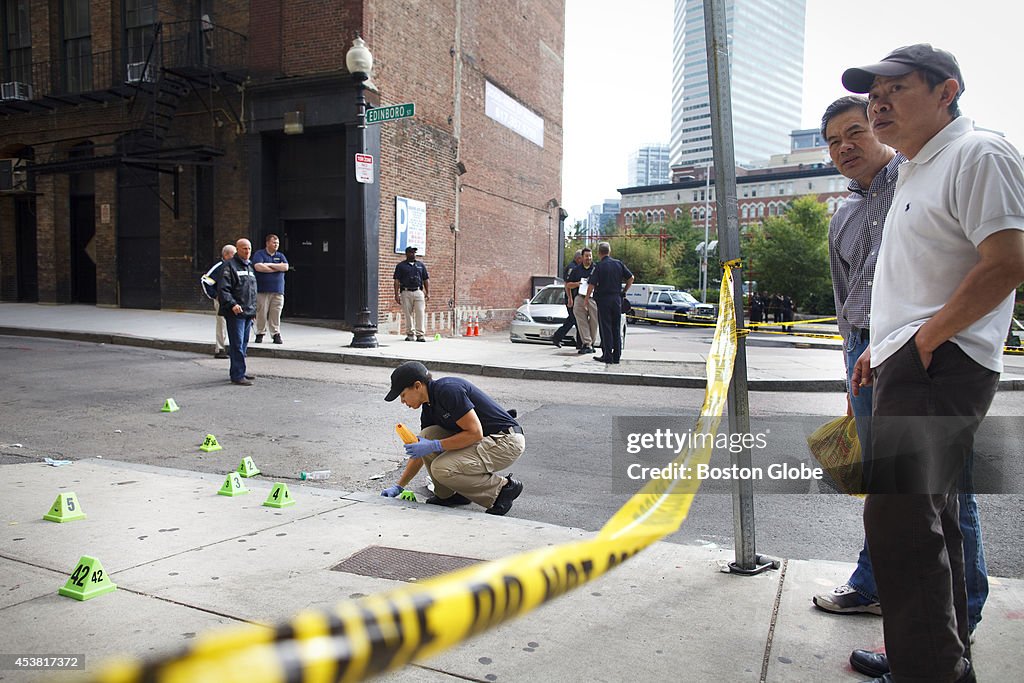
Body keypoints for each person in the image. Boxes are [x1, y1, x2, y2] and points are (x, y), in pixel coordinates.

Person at [843, 44, 1024, 682]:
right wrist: (882, 347)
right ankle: (945, 664)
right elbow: (918, 280)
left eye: (895, 88)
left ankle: (927, 673)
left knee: (899, 523)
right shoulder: (918, 170)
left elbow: (1007, 261)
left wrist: (926, 339)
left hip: (940, 364)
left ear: (946, 91)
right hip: (910, 361)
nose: (878, 103)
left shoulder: (980, 153)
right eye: (873, 96)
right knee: (931, 522)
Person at [814, 94, 989, 637]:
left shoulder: (915, 181)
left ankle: (965, 607)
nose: (845, 147)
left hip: (921, 351)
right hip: (865, 353)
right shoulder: (841, 214)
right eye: (833, 141)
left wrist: (928, 340)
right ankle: (874, 585)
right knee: (888, 486)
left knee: (941, 487)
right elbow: (846, 302)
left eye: (855, 133)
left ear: (882, 130)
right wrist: (850, 374)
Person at [382, 361, 525, 515]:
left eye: (403, 395)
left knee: (441, 467)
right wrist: (399, 486)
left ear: (417, 386)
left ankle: (502, 489)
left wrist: (435, 445)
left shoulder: (448, 390)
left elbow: (475, 432)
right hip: (486, 440)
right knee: (426, 436)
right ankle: (449, 495)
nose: (403, 401)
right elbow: (421, 453)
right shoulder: (429, 407)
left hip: (506, 441)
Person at [584, 241, 633, 364]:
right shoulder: (618, 264)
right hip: (617, 299)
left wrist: (586, 299)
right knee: (616, 327)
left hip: (603, 300)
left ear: (599, 253)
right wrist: (624, 290)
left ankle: (607, 355)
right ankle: (617, 356)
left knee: (605, 327)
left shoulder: (599, 266)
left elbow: (592, 284)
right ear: (609, 251)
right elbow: (631, 277)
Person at [219, 238, 258, 386]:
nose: (247, 251)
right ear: (237, 249)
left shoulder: (250, 267)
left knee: (243, 344)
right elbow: (224, 289)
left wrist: (253, 310)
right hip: (236, 312)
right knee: (237, 344)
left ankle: (240, 370)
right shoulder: (229, 266)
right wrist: (232, 304)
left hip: (248, 312)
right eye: (244, 249)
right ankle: (237, 375)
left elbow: (252, 291)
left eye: (249, 249)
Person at [252, 234, 289, 344]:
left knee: (276, 312)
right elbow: (258, 267)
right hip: (262, 290)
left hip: (278, 290)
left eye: (277, 243)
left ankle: (275, 334)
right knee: (261, 312)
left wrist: (268, 265)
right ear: (267, 243)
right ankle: (260, 333)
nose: (276, 245)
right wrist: (277, 268)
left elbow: (285, 267)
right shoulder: (259, 254)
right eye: (274, 242)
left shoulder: (280, 255)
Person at [201, 243, 235, 359]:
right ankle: (220, 348)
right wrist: (215, 296)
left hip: (234, 300)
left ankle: (233, 347)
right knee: (222, 324)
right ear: (225, 255)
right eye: (233, 254)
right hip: (222, 300)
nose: (235, 256)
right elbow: (205, 280)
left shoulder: (236, 265)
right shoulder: (219, 266)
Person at [565, 247, 598, 355]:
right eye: (586, 256)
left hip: (593, 298)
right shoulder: (576, 270)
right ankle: (587, 343)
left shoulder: (596, 268)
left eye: (590, 256)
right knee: (581, 321)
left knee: (594, 321)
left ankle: (590, 343)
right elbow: (568, 285)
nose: (588, 258)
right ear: (582, 257)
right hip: (580, 297)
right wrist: (577, 284)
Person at [393, 246, 429, 342]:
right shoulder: (400, 266)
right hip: (405, 292)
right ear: (406, 253)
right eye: (411, 252)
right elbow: (396, 280)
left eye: (414, 252)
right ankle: (410, 334)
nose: (413, 254)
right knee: (408, 314)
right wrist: (396, 294)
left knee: (420, 313)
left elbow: (426, 279)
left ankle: (420, 335)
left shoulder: (420, 265)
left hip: (418, 291)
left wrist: (427, 292)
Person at [552, 250, 583, 349]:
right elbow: (567, 284)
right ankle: (579, 343)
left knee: (574, 320)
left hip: (575, 297)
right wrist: (570, 298)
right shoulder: (572, 267)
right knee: (575, 320)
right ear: (578, 258)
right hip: (571, 298)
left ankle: (558, 337)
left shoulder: (577, 267)